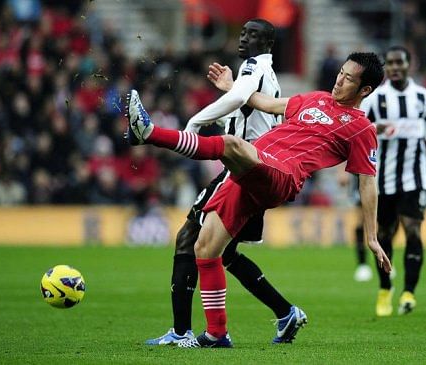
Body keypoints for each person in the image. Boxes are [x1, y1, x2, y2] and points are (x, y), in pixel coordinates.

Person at [127, 51, 392, 348]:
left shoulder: (361, 128)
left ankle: (148, 133)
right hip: (252, 171)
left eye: (349, 78)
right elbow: (263, 102)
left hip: (282, 174)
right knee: (205, 247)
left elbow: (368, 182)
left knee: (231, 145)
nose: (339, 80)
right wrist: (232, 87)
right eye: (341, 72)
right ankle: (217, 334)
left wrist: (371, 237)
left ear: (365, 89)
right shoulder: (314, 98)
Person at [133, 19, 307, 346]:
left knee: (189, 239)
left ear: (268, 43)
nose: (244, 38)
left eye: (253, 35)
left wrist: (195, 123)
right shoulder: (261, 73)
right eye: (242, 32)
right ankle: (285, 312)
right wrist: (231, 88)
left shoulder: (256, 65)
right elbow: (243, 100)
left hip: (242, 171)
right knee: (223, 254)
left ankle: (183, 332)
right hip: (257, 171)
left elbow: (240, 99)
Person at [360, 46, 426, 316]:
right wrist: (375, 128)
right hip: (382, 179)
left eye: (399, 63)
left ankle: (408, 292)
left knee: (413, 231)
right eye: (391, 63)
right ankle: (385, 288)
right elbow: (358, 131)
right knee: (384, 235)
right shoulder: (374, 98)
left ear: (410, 64)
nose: (395, 67)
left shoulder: (425, 98)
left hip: (415, 177)